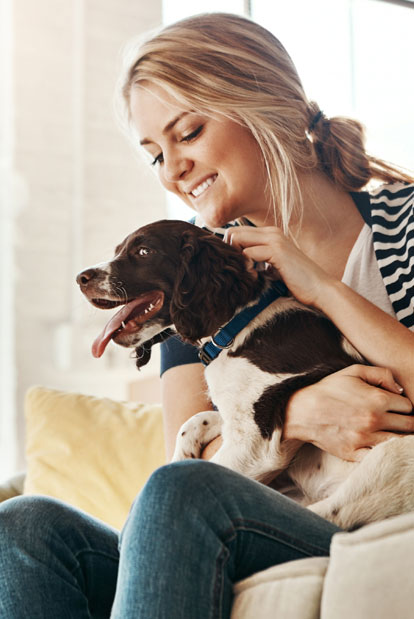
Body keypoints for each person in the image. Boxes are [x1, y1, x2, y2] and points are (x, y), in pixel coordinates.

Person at [1, 12, 413, 618]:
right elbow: (191, 452)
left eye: (187, 133)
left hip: (363, 515)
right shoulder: (195, 275)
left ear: (262, 104)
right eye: (154, 156)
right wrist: (299, 411)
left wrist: (321, 287)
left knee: (181, 497)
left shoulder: (401, 228)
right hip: (237, 518)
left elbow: (191, 492)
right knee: (24, 528)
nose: (172, 170)